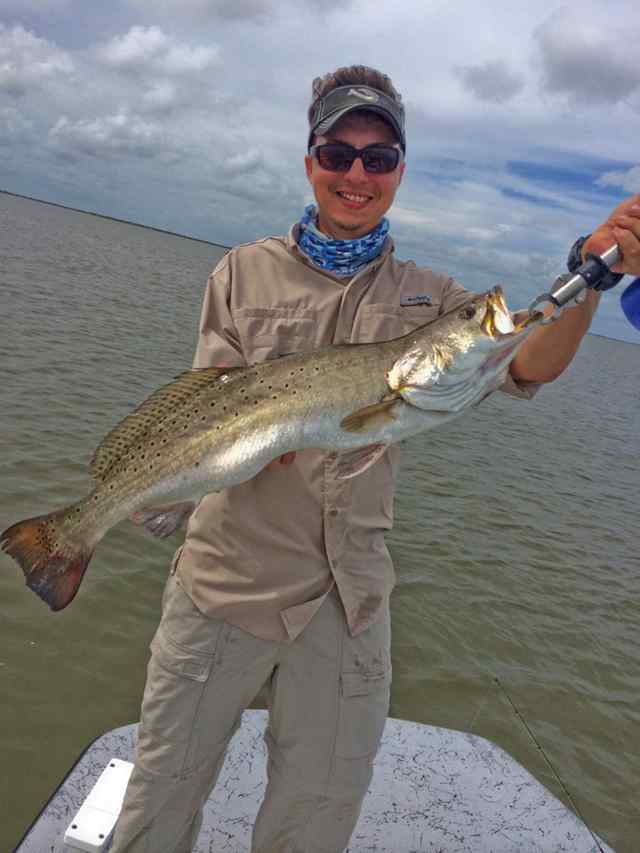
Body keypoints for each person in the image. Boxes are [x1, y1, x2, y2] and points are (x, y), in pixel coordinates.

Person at [111, 65, 640, 853]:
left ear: (399, 171)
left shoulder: (434, 298)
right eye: (338, 152)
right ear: (311, 163)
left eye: (379, 157)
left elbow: (527, 364)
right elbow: (203, 402)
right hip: (225, 586)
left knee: (316, 820)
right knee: (158, 803)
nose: (357, 173)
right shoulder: (241, 272)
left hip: (350, 602)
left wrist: (589, 274)